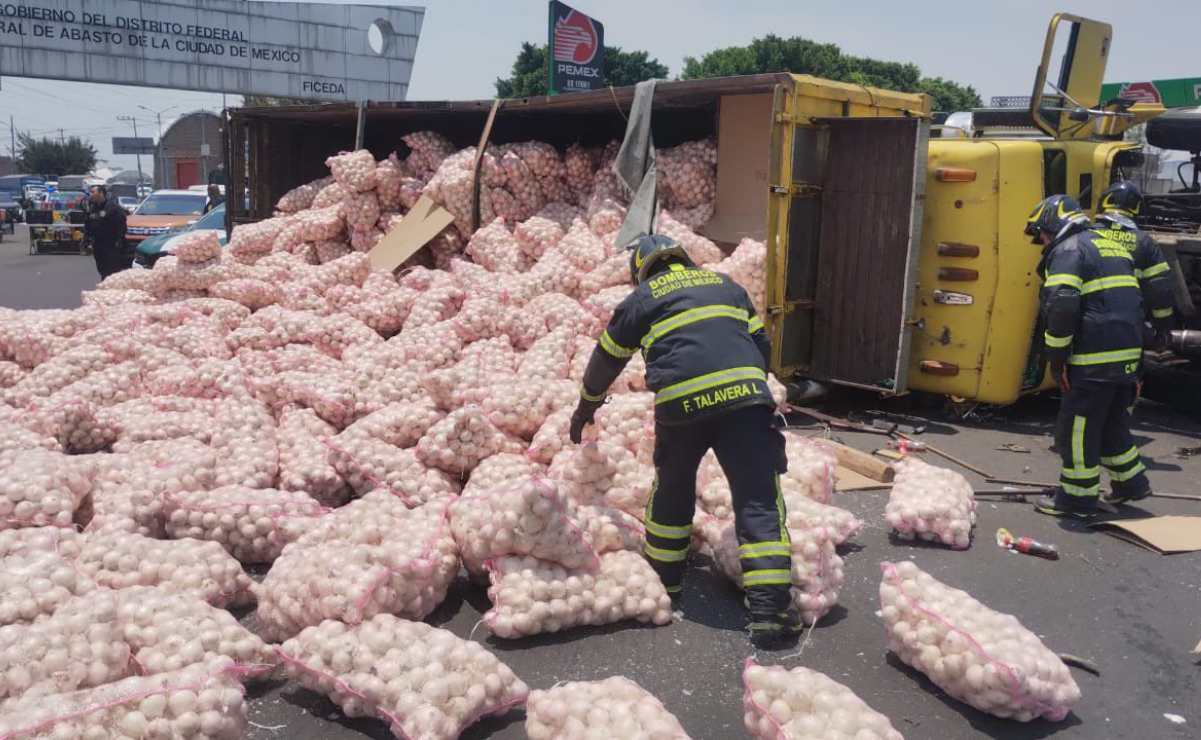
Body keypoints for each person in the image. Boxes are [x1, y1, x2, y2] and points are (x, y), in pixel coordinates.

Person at [568, 234, 799, 644]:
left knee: (673, 489)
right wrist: (744, 383)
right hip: (745, 406)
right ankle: (770, 614)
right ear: (684, 258)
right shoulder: (727, 286)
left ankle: (664, 584)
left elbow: (606, 358)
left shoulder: (641, 299)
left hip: (682, 408)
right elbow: (761, 347)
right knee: (758, 498)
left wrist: (586, 406)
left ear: (641, 270)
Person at [1026, 194, 1154, 518]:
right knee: (1112, 422)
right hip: (1124, 352)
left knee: (1077, 430)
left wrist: (1056, 357)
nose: (1041, 240)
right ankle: (1131, 483)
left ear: (1054, 224)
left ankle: (1076, 500)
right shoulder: (1110, 245)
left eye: (1041, 232)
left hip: (1092, 359)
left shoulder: (1069, 250)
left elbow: (1062, 304)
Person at [84, 185, 128, 280]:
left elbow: (121, 225)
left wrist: (119, 240)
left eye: (93, 192)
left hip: (110, 244)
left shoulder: (113, 208)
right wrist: (86, 241)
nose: (91, 194)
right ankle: (105, 282)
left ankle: (109, 287)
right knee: (101, 267)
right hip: (98, 244)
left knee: (111, 269)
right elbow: (88, 225)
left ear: (101, 193)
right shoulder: (92, 208)